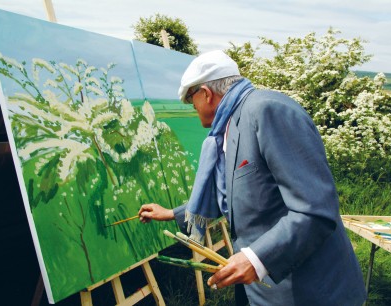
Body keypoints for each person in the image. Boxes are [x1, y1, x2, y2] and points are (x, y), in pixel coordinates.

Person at [139, 50, 367, 305]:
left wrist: (256, 258)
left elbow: (315, 210)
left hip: (306, 290)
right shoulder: (230, 126)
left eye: (190, 98)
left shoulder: (268, 111)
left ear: (206, 93)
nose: (192, 107)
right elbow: (236, 195)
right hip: (264, 290)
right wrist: (171, 213)